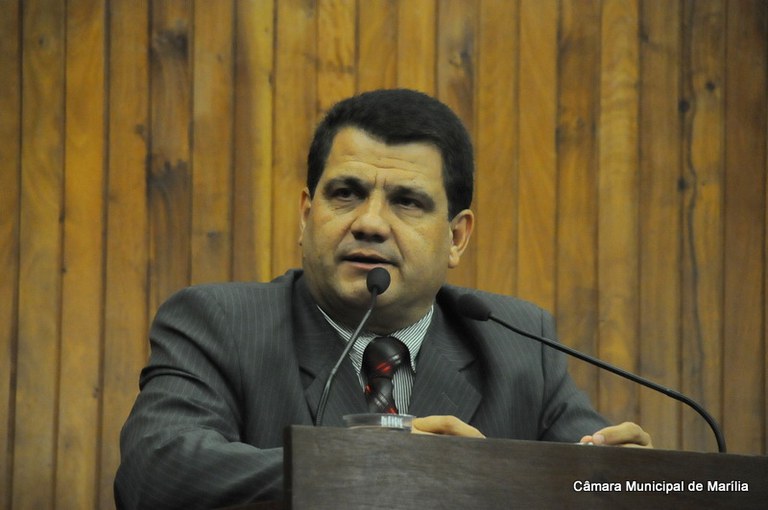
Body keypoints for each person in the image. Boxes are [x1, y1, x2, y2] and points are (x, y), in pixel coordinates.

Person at [115, 89, 651, 509]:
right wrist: (376, 462)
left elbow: (602, 479)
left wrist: (630, 481)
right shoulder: (221, 323)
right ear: (306, 215)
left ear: (456, 238)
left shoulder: (517, 344)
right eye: (346, 193)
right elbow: (153, 474)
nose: (369, 222)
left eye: (407, 201)